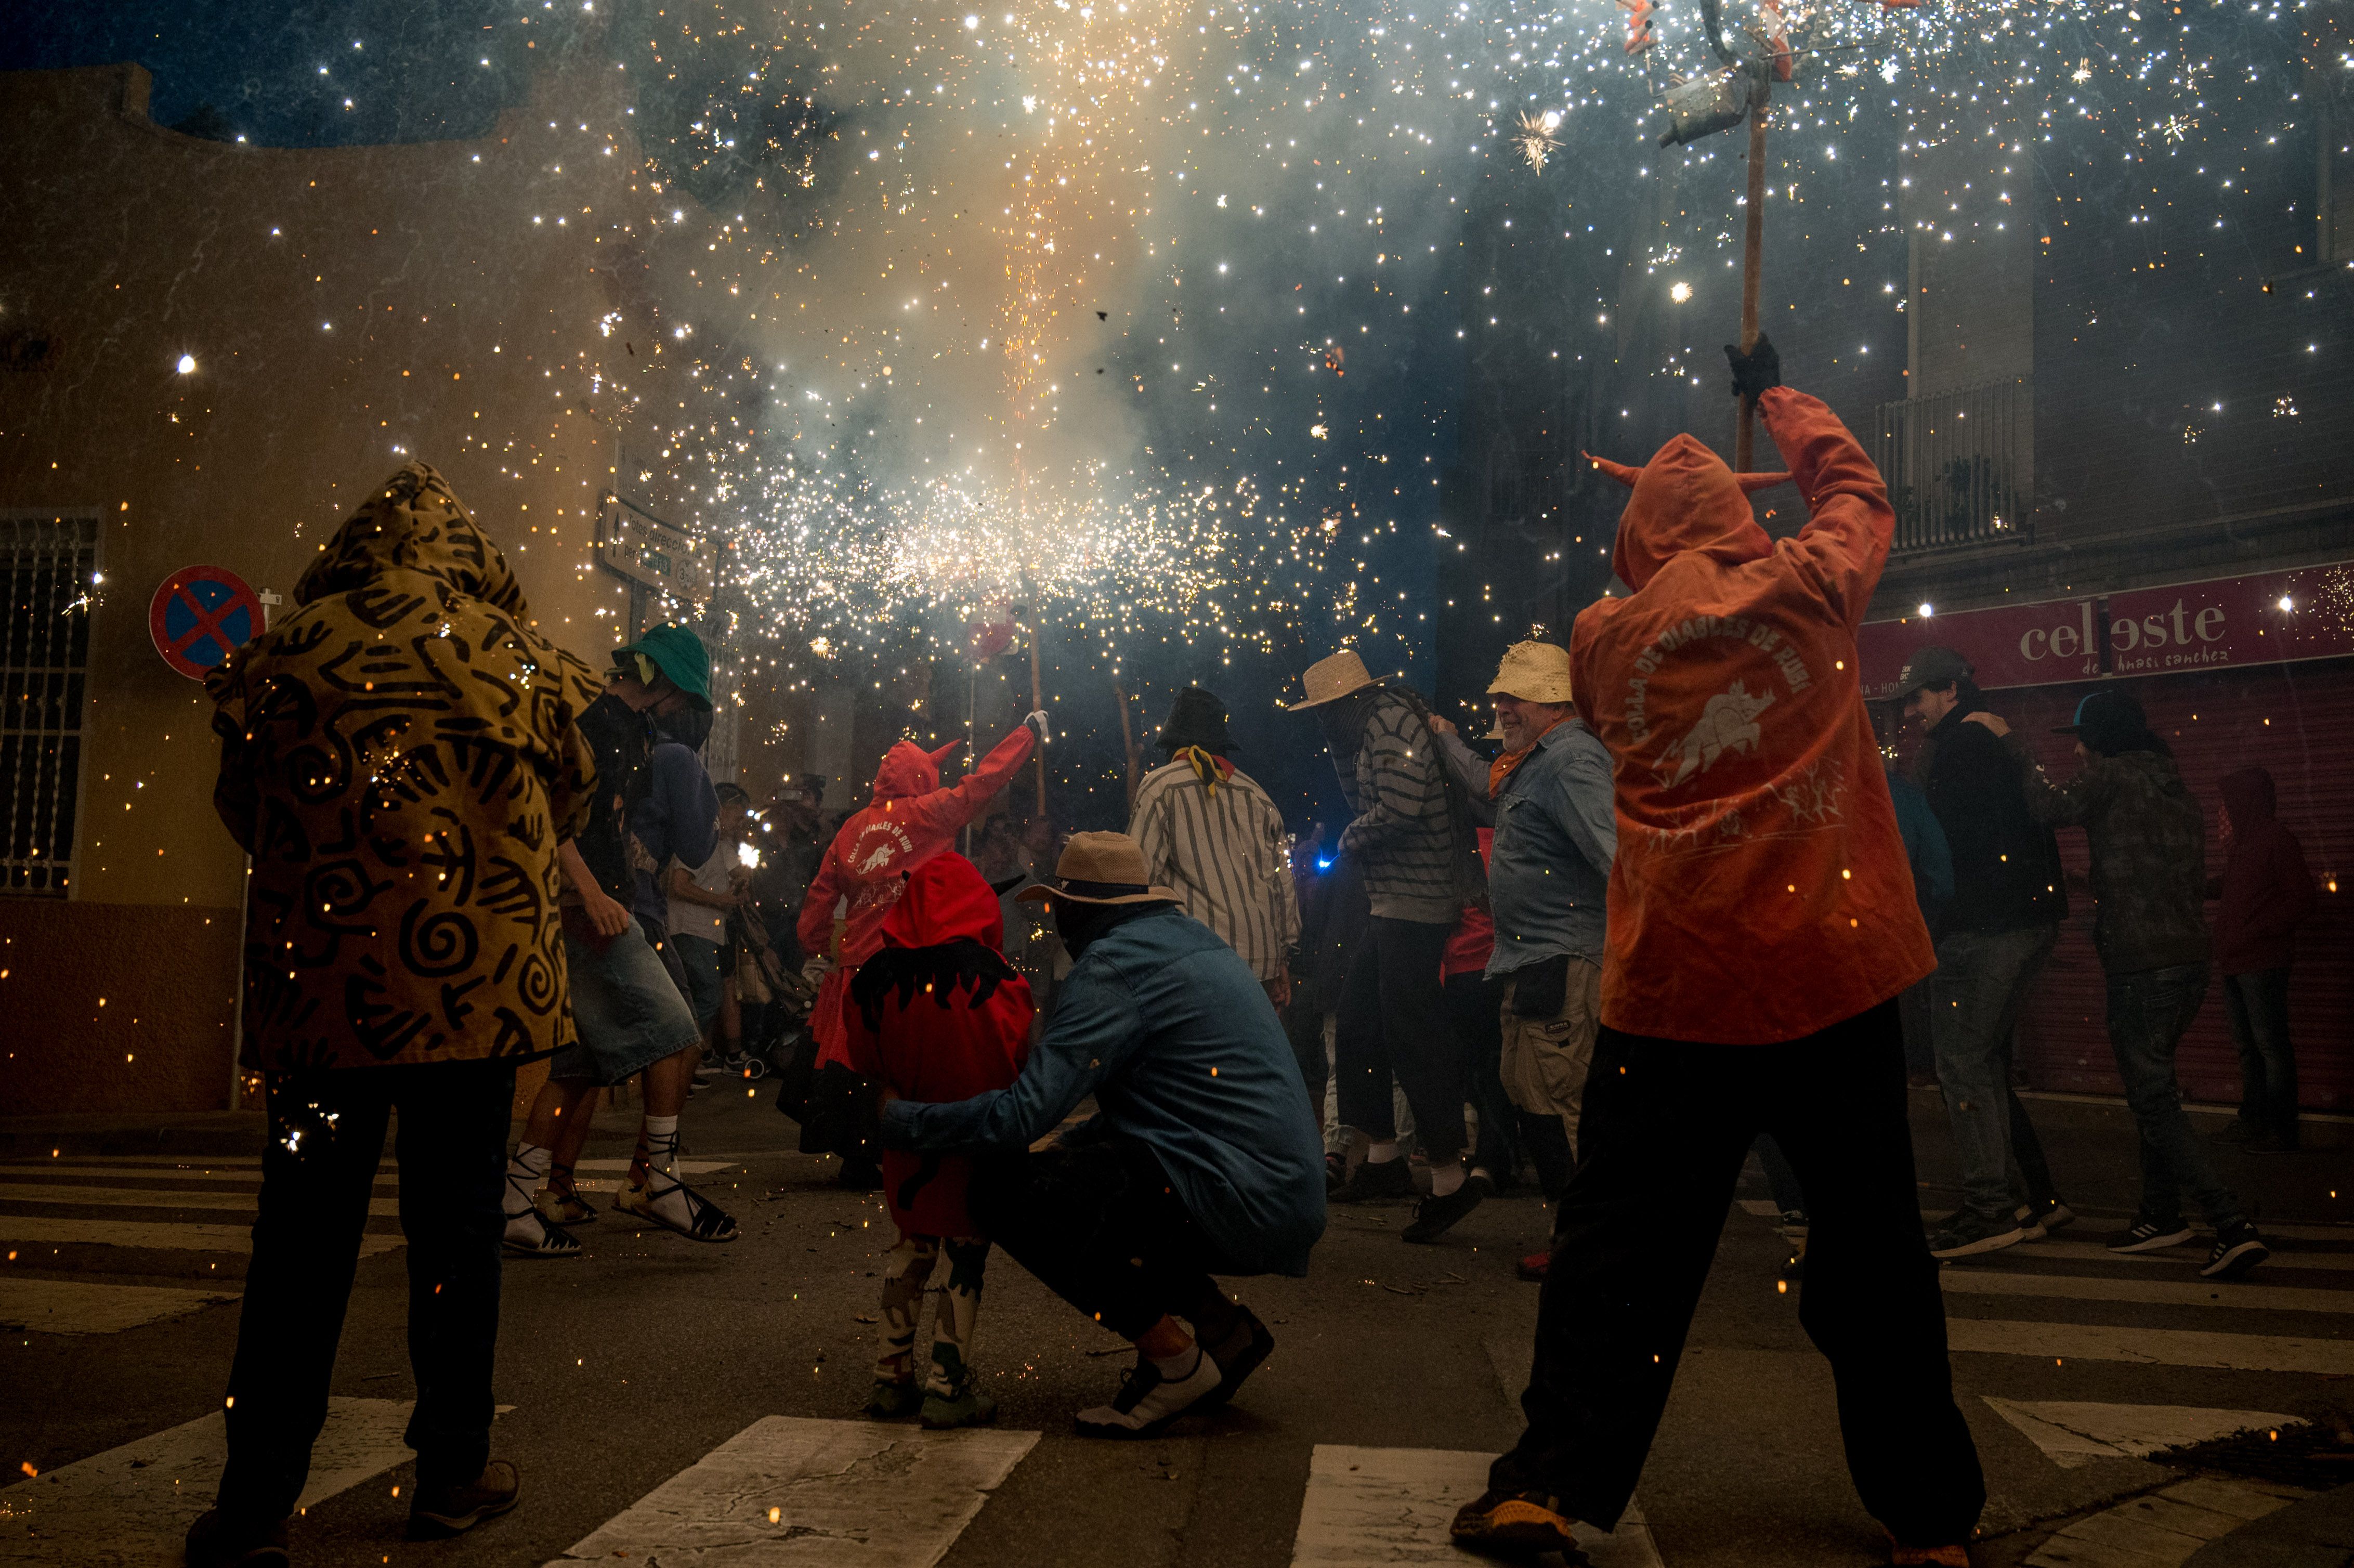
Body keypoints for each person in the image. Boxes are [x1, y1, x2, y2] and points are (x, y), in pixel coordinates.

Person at [1453, 341, 1986, 1568]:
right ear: (1745, 523)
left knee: (1613, 1256)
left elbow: (1638, 593)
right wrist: (1778, 405)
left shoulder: (1599, 637)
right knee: (1871, 1256)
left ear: (1632, 546)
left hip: (1674, 991)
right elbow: (1856, 496)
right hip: (1830, 978)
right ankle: (1928, 1521)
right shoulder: (1811, 587)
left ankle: (1544, 1488)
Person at [189, 462, 592, 1563]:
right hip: (473, 1010)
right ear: (469, 557)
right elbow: (572, 790)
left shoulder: (285, 650)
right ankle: (453, 1471)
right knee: (457, 1229)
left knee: (301, 1240)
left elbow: (244, 805)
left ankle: (257, 1500)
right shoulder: (510, 653)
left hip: (320, 1004)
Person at [867, 833, 1325, 1439]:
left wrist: (903, 1120)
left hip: (1236, 1194)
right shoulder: (1192, 942)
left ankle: (1175, 1362)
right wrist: (1076, 1142)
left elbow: (1020, 1118)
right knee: (1092, 1185)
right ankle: (1222, 1332)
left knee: (1005, 1193)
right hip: (1279, 1193)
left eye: (1060, 910)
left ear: (1078, 911)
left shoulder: (1113, 967)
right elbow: (1167, 1101)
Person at [1990, 688, 2270, 1277]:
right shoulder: (2176, 789)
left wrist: (2015, 749)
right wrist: (2095, 881)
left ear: (2102, 739)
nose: (2079, 753)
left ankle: (2229, 1222)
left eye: (2082, 740)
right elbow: (2156, 873)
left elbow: (2045, 806)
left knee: (2152, 1100)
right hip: (2188, 961)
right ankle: (2159, 1215)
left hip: (2141, 965)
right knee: (2157, 1092)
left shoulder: (2109, 776)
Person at [502, 623, 740, 1251]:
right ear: (660, 677)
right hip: (588, 907)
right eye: (684, 695)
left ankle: (515, 1200)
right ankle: (657, 1180)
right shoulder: (592, 718)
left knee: (577, 1066)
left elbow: (608, 820)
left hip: (605, 901)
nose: (685, 711)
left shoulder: (637, 732)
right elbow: (551, 814)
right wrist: (588, 891)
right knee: (676, 1032)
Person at [1289, 649, 1483, 1241]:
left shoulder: (1389, 722)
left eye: (1325, 709)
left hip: (1417, 899)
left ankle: (1450, 1179)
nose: (1321, 721)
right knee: (1358, 1026)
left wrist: (1349, 839)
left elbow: (1402, 805)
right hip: (1391, 898)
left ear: (1346, 701)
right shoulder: (1367, 726)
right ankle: (1382, 1160)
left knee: (1411, 1034)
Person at [842, 852, 1034, 1429]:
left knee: (911, 1249)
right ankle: (947, 1385)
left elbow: (864, 1058)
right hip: (975, 1135)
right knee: (966, 1255)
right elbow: (1017, 1057)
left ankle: (890, 1375)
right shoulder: (1000, 980)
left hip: (906, 1136)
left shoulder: (876, 977)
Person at [1896, 646, 2072, 1258]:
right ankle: (2024, 1198)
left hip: (1983, 926)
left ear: (1947, 690)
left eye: (1918, 697)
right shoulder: (1991, 736)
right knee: (1983, 1060)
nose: (1912, 712)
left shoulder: (1962, 746)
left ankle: (1990, 1208)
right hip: (2024, 918)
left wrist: (1932, 918)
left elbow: (1946, 844)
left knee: (1962, 1063)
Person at [1454, 641, 1616, 1252]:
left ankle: (1587, 1246)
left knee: (1562, 1103)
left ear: (1550, 698)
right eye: (1499, 695)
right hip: (1536, 962)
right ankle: (1573, 1235)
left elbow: (1616, 859)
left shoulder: (1570, 760)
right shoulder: (1537, 761)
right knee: (1533, 1095)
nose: (1500, 707)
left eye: (1512, 695)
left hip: (1563, 962)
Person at [795, 715, 1044, 1075]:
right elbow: (985, 781)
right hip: (917, 967)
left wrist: (816, 950)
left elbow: (820, 896)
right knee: (916, 1068)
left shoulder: (852, 827)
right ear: (923, 776)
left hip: (858, 968)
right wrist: (1026, 735)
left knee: (854, 1066)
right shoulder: (934, 811)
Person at [1127, 684, 1302, 1008]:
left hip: (1197, 967)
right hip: (1260, 965)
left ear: (1173, 743)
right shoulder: (1259, 796)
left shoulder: (1160, 787)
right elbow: (1283, 885)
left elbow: (1136, 883)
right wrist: (1282, 959)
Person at [2209, 766, 2316, 1153]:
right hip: (2236, 961)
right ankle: (2254, 1121)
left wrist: (2258, 930)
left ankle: (2281, 1131)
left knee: (2270, 1046)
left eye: (2228, 802)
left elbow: (2302, 898)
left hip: (2262, 962)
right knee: (2248, 1047)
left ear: (2247, 800)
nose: (2222, 811)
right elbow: (2236, 891)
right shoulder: (2243, 844)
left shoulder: (2275, 840)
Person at [666, 782, 755, 1057]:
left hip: (707, 932)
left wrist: (736, 885)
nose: (740, 825)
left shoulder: (717, 843)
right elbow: (678, 885)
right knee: (706, 997)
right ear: (720, 808)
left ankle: (688, 1060)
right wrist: (722, 900)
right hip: (692, 930)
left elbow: (716, 880)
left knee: (701, 997)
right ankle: (681, 1055)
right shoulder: (699, 839)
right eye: (738, 817)